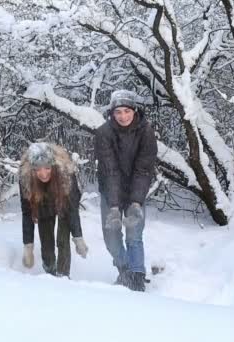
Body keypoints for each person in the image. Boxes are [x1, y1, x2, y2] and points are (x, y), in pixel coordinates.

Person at [94, 89, 158, 292]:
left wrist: (136, 202)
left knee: (134, 235)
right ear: (112, 113)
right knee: (111, 237)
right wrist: (113, 206)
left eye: (126, 111)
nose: (123, 116)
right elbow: (109, 170)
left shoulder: (146, 131)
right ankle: (125, 269)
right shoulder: (104, 133)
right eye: (118, 112)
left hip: (135, 190)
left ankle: (137, 278)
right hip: (110, 189)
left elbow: (144, 168)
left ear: (134, 110)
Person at [19, 142, 88, 277]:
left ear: (53, 165)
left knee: (63, 240)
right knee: (47, 246)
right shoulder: (26, 177)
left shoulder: (65, 173)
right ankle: (50, 273)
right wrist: (28, 246)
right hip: (42, 203)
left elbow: (72, 208)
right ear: (32, 169)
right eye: (37, 169)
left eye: (47, 168)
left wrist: (78, 237)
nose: (43, 174)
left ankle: (63, 275)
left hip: (63, 201)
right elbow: (27, 212)